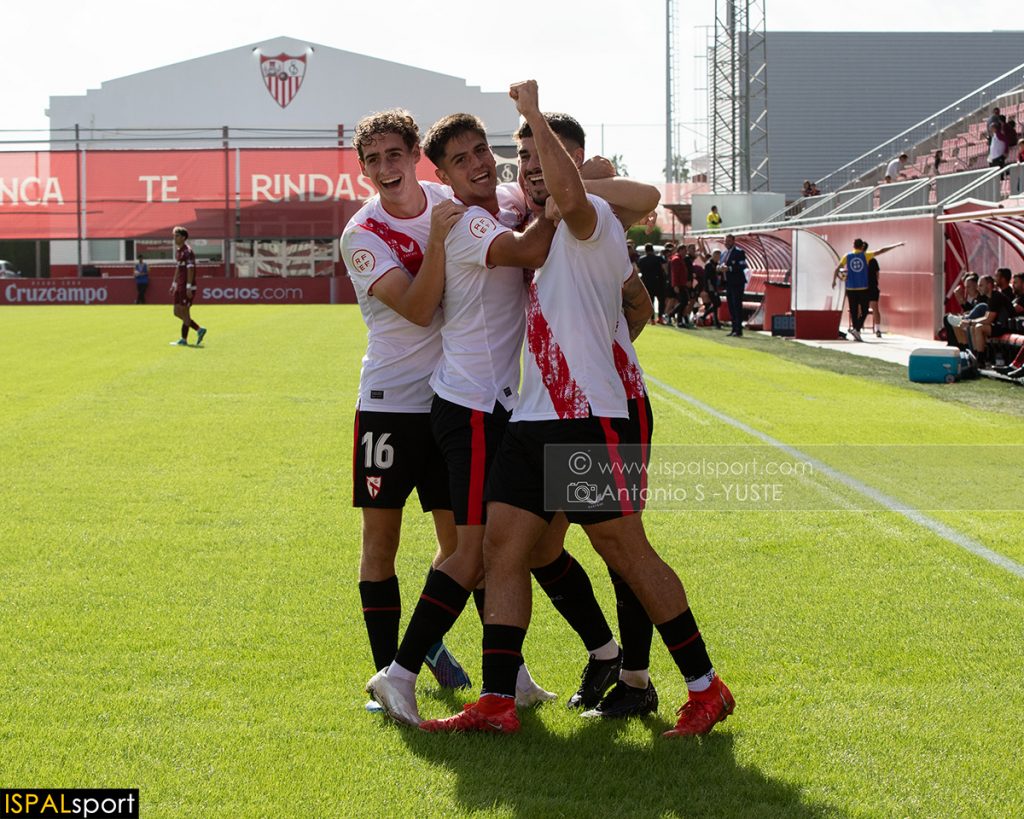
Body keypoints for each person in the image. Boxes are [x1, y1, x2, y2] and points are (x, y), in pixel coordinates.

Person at [421, 79, 733, 739]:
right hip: (534, 421)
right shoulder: (535, 225)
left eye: (546, 157)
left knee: (626, 549)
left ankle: (706, 687)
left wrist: (534, 115)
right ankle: (497, 700)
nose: (533, 168)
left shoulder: (591, 220)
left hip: (587, 418)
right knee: (504, 548)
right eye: (524, 159)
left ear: (571, 164)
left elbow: (587, 197)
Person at [366, 112, 633, 725]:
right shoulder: (463, 221)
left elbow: (615, 190)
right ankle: (399, 674)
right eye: (460, 161)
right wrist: (565, 202)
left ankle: (558, 667)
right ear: (443, 175)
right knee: (473, 554)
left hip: (510, 408)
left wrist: (583, 177)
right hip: (472, 407)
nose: (478, 165)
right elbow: (533, 247)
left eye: (482, 151)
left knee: (533, 546)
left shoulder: (508, 198)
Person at [340, 109, 475, 701]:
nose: (385, 168)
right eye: (372, 160)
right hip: (388, 405)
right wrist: (441, 239)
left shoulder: (448, 199)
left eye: (394, 154)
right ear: (362, 169)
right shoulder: (361, 234)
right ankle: (387, 681)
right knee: (381, 543)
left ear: (417, 154)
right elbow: (419, 310)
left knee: (462, 545)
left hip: (450, 400)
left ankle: (424, 647)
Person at [832, 238, 903, 342]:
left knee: (854, 311)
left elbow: (837, 268)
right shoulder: (865, 255)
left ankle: (856, 331)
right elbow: (881, 250)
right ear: (862, 246)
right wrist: (896, 245)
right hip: (862, 288)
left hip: (850, 288)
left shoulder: (847, 256)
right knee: (865, 310)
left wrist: (834, 280)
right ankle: (857, 329)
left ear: (853, 246)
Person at [169, 227, 206, 347]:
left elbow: (191, 269)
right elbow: (178, 268)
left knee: (185, 313)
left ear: (183, 237)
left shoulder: (188, 252)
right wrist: (174, 284)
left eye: (177, 236)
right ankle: (199, 329)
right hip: (180, 286)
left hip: (186, 286)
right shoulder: (179, 251)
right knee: (176, 312)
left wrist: (189, 286)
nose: (174, 238)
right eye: (174, 236)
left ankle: (183, 339)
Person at [719, 234, 748, 337]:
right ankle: (733, 328)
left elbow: (742, 265)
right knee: (731, 306)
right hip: (728, 283)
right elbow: (721, 264)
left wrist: (730, 268)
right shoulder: (724, 253)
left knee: (737, 305)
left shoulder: (739, 252)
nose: (726, 243)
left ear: (733, 241)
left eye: (729, 241)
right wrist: (720, 268)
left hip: (737, 282)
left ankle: (738, 330)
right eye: (725, 241)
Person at [637, 243, 667, 324]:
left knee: (650, 301)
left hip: (647, 282)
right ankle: (660, 317)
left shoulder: (641, 260)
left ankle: (652, 318)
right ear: (652, 249)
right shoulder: (659, 258)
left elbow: (638, 271)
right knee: (661, 301)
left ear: (645, 250)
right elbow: (665, 268)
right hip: (659, 282)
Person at [863, 241, 883, 337]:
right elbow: (877, 274)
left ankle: (857, 328)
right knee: (875, 308)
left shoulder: (858, 259)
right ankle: (878, 329)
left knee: (860, 308)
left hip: (863, 287)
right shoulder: (873, 260)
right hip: (872, 286)